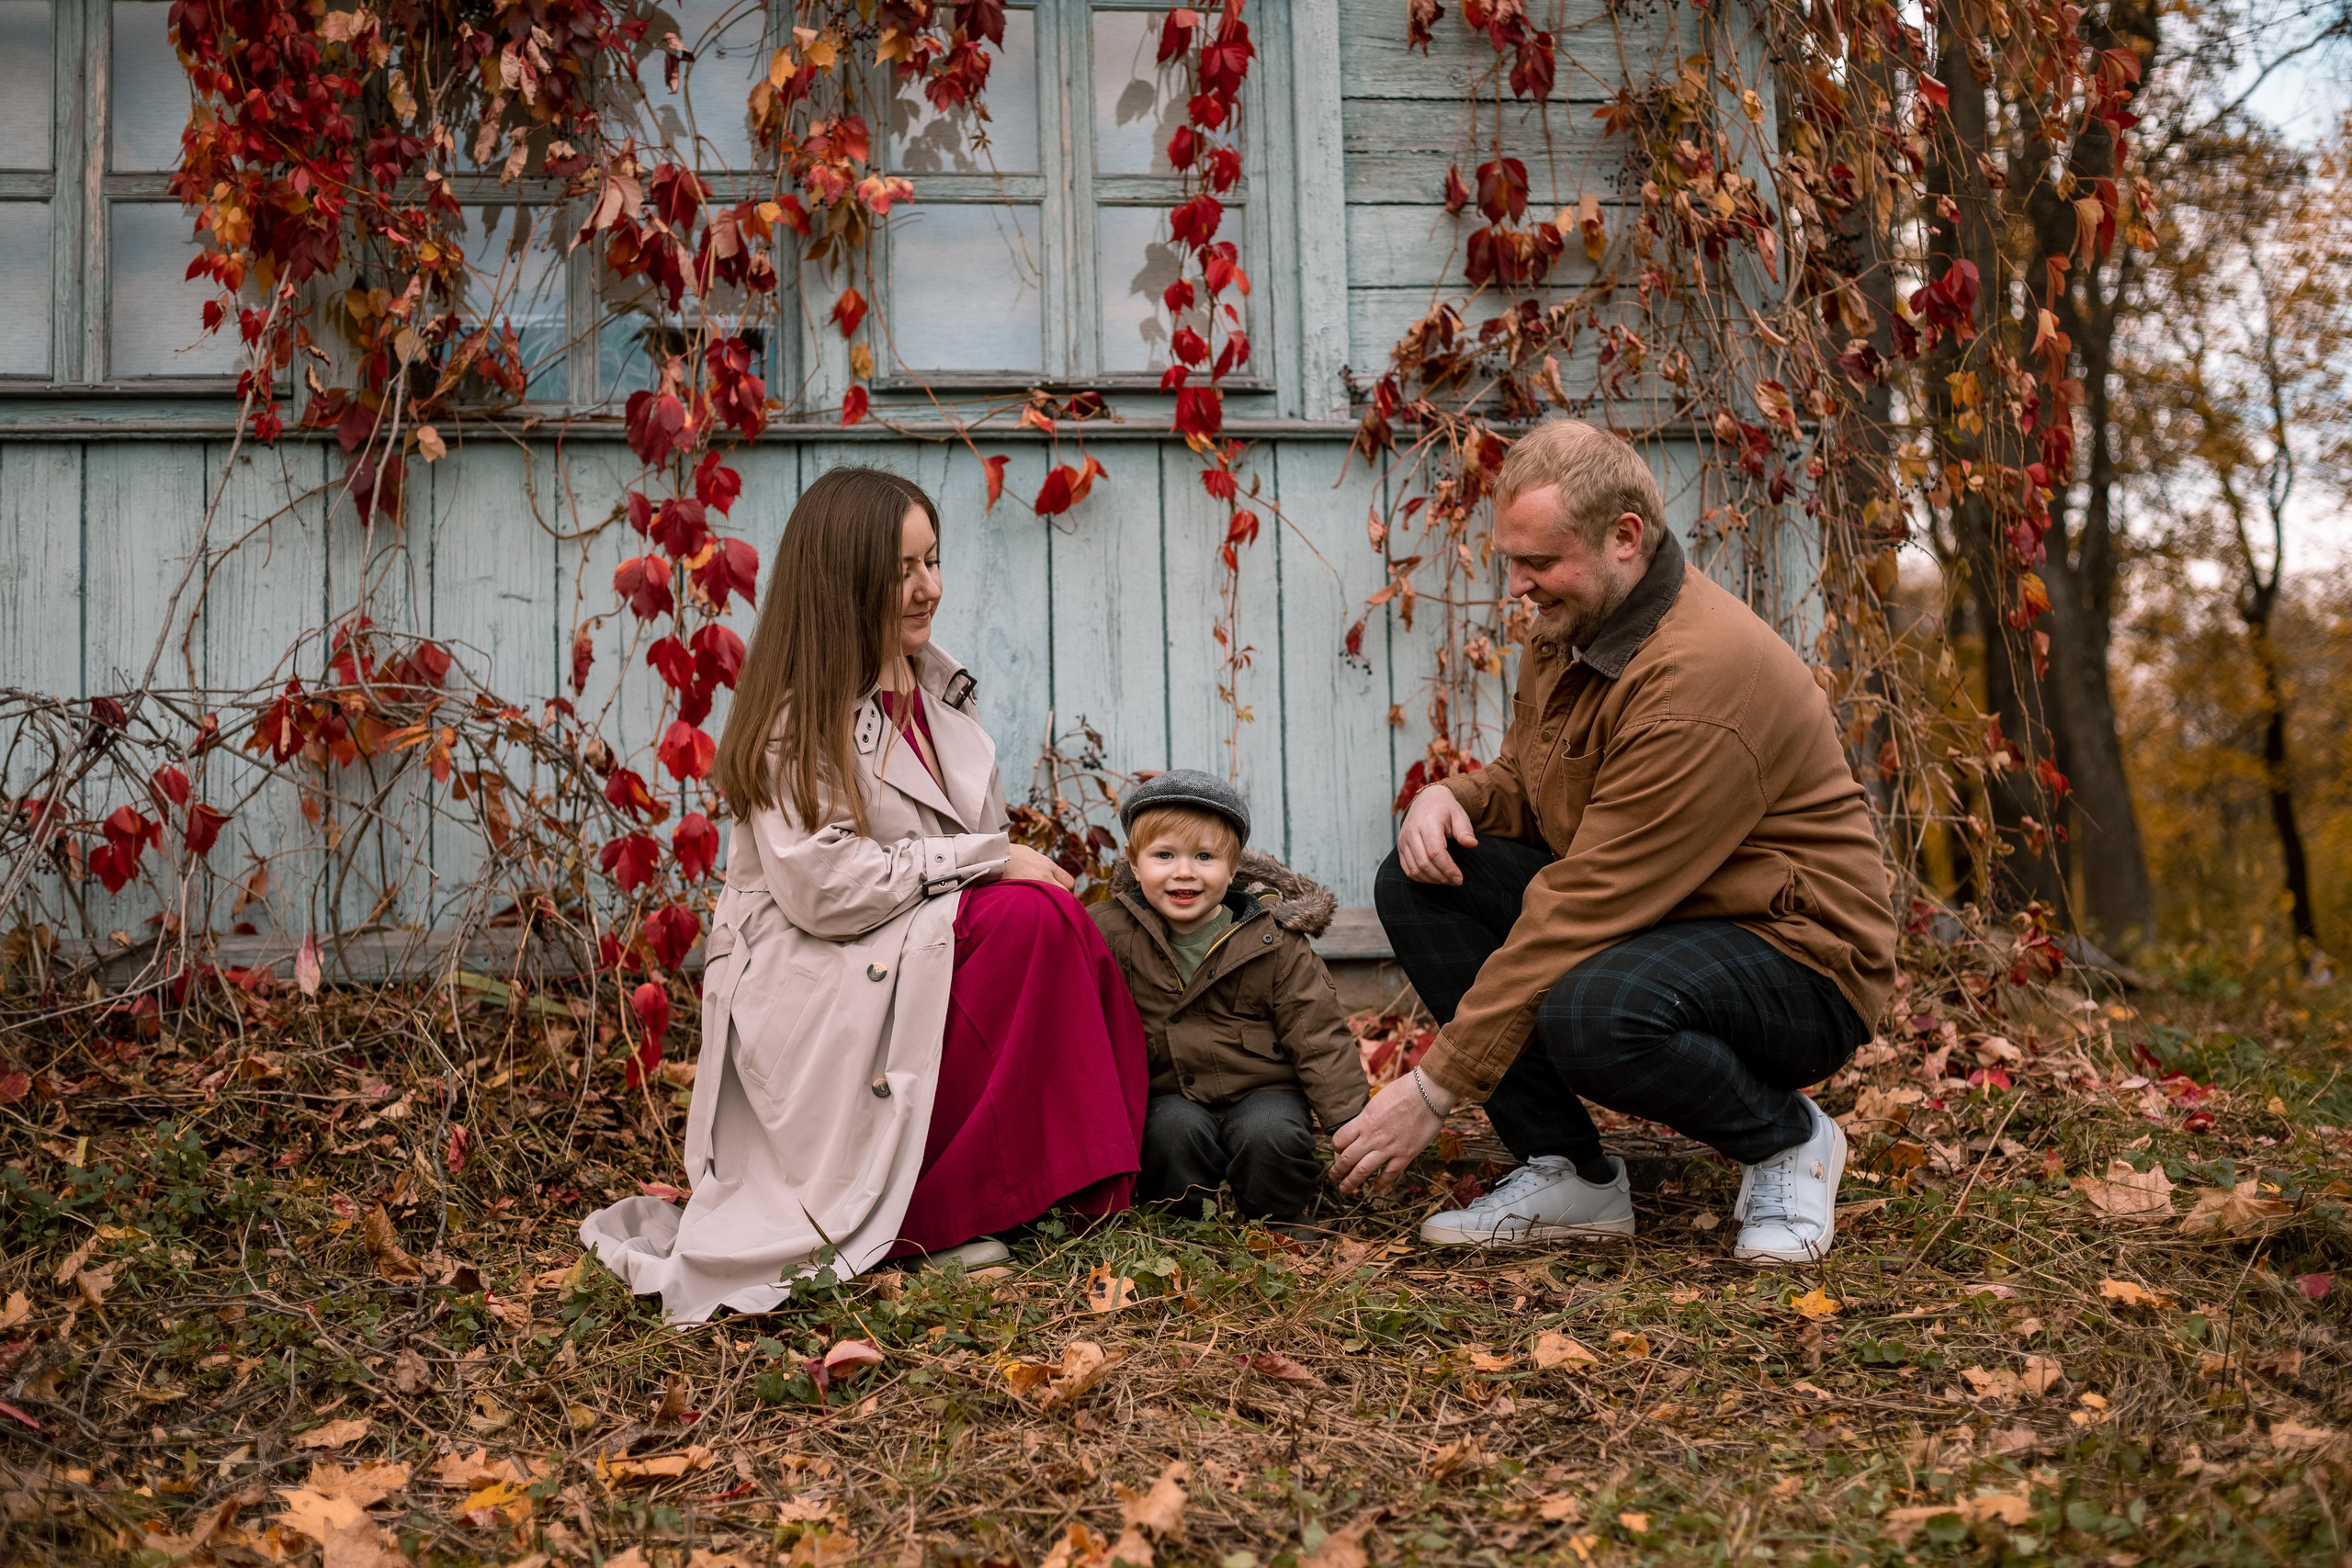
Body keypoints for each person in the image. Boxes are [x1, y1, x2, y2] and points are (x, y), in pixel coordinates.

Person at [581, 466, 1148, 1323]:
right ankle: (924, 1218)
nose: (931, 587)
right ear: (849, 582)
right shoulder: (797, 717)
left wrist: (986, 868)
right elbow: (824, 889)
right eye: (905, 570)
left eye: (934, 560)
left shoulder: (937, 701)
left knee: (1060, 920)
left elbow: (957, 869)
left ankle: (1051, 1181)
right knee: (1027, 917)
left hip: (897, 957)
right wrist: (988, 862)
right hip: (816, 982)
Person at [1331, 418, 1897, 1265]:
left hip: (1801, 952)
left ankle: (1789, 1142)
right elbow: (1532, 784)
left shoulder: (1699, 675)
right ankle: (1571, 1173)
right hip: (1673, 914)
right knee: (1424, 881)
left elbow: (1586, 899)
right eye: (1511, 559)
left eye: (1538, 561)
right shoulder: (1577, 622)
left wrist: (1435, 1084)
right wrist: (1449, 793)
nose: (1517, 584)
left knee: (1593, 1011)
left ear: (1624, 537)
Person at [1089, 771, 1368, 1231]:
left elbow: (1316, 1033)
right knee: (1170, 1133)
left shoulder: (1273, 940)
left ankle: (1280, 1224)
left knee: (1270, 1135)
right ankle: (1182, 1228)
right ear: (1135, 866)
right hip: (1168, 1092)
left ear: (1234, 867)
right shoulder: (1109, 933)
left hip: (1263, 1087)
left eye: (1204, 856)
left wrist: (1351, 1125)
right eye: (1164, 855)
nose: (1184, 872)